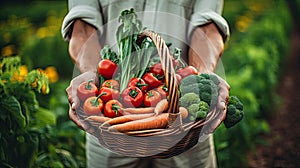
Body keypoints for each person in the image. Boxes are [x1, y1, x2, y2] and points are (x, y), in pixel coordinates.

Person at [62, 0, 230, 167]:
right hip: (107, 127)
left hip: (185, 125)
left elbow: (208, 27)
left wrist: (203, 76)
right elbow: (82, 27)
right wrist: (89, 72)